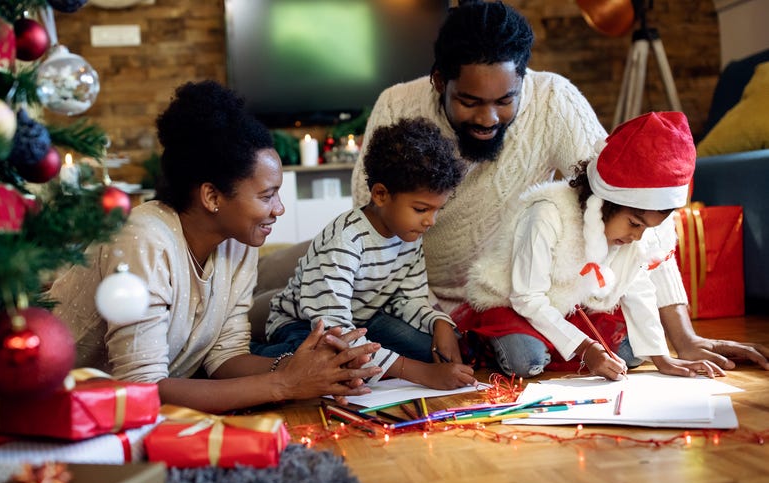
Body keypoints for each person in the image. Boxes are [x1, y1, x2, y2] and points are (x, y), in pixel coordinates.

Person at [351, 0, 769, 370]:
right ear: (440, 82)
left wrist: (684, 338)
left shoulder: (553, 100)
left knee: (629, 345)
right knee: (394, 346)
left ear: (524, 81)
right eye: (470, 101)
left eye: (505, 100)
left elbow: (636, 204)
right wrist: (427, 315)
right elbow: (368, 227)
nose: (488, 119)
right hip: (421, 303)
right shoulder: (397, 106)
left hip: (530, 296)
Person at [48, 80, 382, 414]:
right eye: (267, 196)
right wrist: (285, 384)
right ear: (212, 197)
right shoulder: (144, 239)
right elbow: (141, 390)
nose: (279, 209)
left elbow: (225, 356)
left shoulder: (238, 241)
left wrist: (307, 370)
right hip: (66, 410)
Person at [463, 111, 724, 379]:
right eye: (634, 223)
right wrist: (586, 349)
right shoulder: (547, 214)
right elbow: (527, 298)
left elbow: (637, 286)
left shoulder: (629, 234)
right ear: (605, 203)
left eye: (647, 229)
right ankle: (487, 344)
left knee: (633, 353)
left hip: (572, 308)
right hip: (517, 304)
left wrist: (662, 358)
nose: (637, 237)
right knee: (525, 360)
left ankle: (562, 347)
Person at [253, 118, 477, 390]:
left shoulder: (409, 233)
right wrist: (422, 374)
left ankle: (374, 364)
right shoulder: (345, 240)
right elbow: (332, 329)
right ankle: (256, 355)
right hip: (306, 327)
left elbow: (406, 299)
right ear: (381, 195)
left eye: (436, 210)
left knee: (430, 349)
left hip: (364, 321)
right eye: (421, 209)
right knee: (328, 366)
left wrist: (439, 323)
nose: (430, 221)